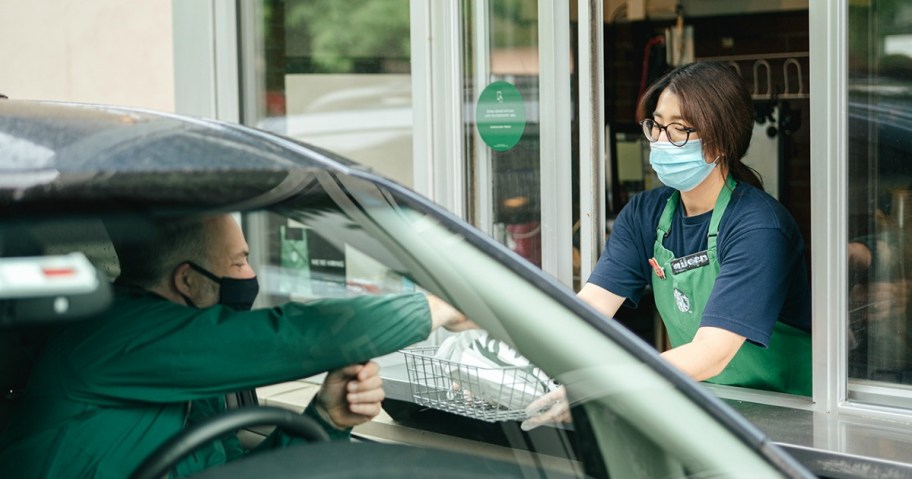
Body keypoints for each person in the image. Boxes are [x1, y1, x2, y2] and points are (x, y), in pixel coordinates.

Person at [0, 214, 471, 478]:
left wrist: (326, 419)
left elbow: (227, 472)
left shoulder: (187, 379)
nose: (249, 275)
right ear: (187, 279)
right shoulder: (115, 335)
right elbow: (288, 336)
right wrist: (439, 306)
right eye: (240, 260)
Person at [523, 61, 811, 430]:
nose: (660, 140)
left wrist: (609, 384)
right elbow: (589, 309)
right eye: (656, 125)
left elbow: (711, 353)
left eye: (678, 130)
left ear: (720, 142)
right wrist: (511, 355)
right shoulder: (646, 213)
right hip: (705, 402)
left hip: (787, 414)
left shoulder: (758, 227)